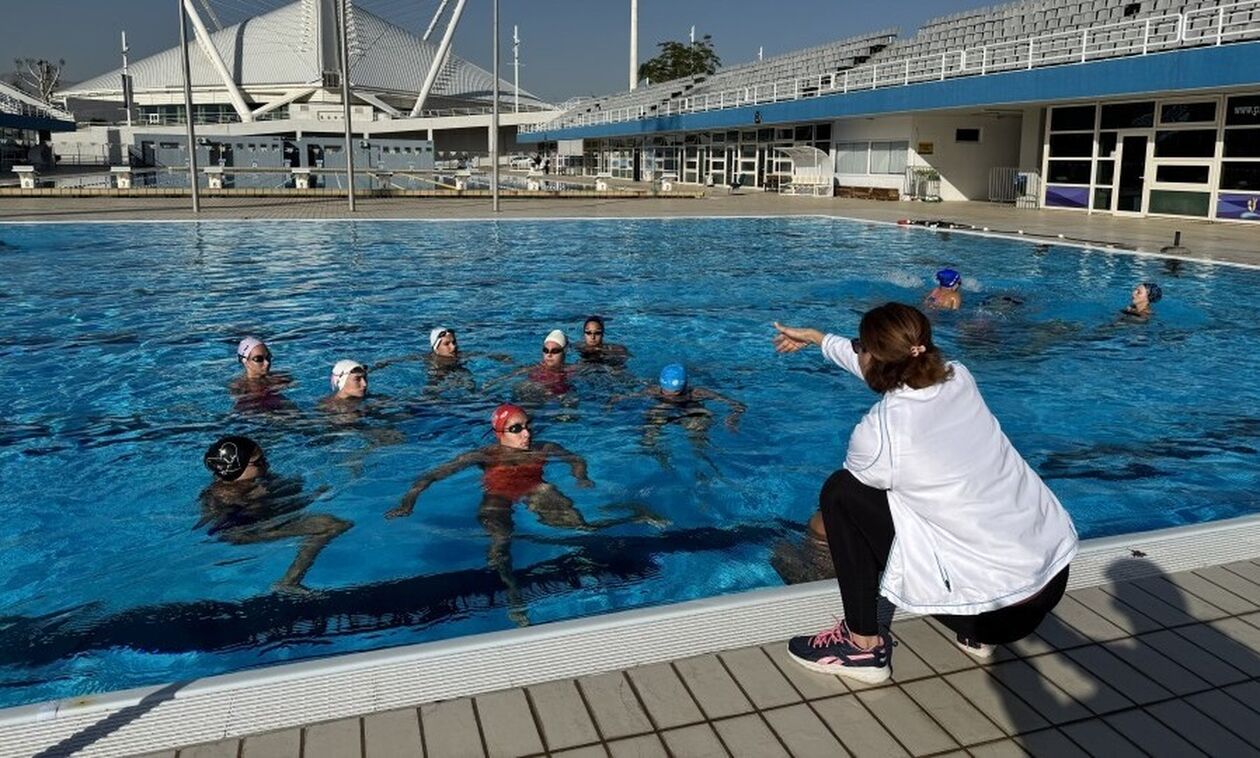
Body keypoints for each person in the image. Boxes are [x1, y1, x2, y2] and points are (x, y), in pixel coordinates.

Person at [771, 303, 1077, 684]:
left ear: (873, 359)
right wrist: (818, 339)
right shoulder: (958, 378)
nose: (856, 351)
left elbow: (859, 503)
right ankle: (974, 617)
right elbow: (883, 369)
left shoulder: (880, 434)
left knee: (840, 494)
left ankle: (862, 645)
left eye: (859, 345)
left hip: (996, 617)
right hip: (1055, 575)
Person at [386, 404, 666, 623]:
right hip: (498, 497)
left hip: (536, 490)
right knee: (499, 548)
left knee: (583, 529)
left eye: (528, 426)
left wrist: (581, 477)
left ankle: (635, 514)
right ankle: (513, 594)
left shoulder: (543, 448)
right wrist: (408, 501)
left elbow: (574, 458)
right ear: (499, 433)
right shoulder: (485, 455)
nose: (527, 433)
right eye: (517, 428)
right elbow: (431, 476)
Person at [199, 436, 352, 593]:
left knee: (333, 523)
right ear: (236, 468)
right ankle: (288, 583)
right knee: (330, 525)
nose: (267, 464)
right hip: (239, 533)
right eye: (258, 462)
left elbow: (286, 500)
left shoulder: (255, 481)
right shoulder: (224, 494)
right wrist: (252, 502)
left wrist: (311, 496)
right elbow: (218, 528)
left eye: (264, 458)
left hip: (259, 522)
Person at [610, 364, 745, 470]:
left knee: (699, 423)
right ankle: (659, 460)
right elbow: (624, 397)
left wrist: (733, 418)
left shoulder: (697, 392)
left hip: (689, 415)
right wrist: (614, 401)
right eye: (666, 393)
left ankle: (703, 463)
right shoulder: (652, 390)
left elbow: (738, 405)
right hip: (664, 414)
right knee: (650, 429)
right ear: (661, 386)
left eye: (677, 394)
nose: (671, 397)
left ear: (686, 387)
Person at [228, 336, 295, 412]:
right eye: (259, 359)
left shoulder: (279, 377)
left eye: (268, 357)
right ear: (245, 361)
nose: (267, 363)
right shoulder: (240, 386)